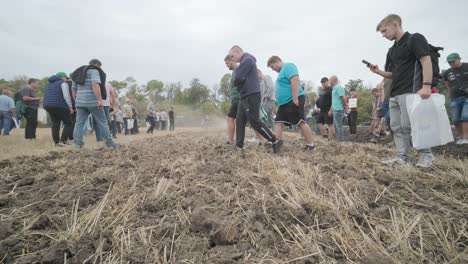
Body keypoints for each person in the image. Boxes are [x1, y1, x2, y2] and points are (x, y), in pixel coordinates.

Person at [369, 14, 435, 167]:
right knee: (396, 127)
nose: (383, 36)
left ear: (395, 24)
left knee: (411, 125)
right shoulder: (392, 50)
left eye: (385, 31)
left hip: (411, 91)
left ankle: (426, 155)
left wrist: (426, 85)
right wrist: (378, 72)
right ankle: (402, 157)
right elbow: (392, 74)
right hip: (395, 93)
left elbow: (426, 60)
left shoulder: (414, 39)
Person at [229, 46, 281, 152]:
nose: (232, 58)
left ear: (238, 52)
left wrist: (238, 81)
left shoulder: (247, 60)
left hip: (251, 95)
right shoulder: (243, 62)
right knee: (239, 121)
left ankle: (275, 140)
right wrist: (239, 81)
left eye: (232, 56)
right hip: (243, 96)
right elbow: (239, 78)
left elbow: (237, 78)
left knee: (254, 121)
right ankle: (239, 146)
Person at [267, 56, 316, 151]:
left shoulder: (288, 66)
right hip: (284, 103)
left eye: (273, 67)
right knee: (278, 122)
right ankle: (275, 142)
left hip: (293, 99)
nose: (273, 70)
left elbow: (294, 80)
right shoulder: (281, 72)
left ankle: (311, 145)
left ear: (276, 61)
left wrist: (295, 98)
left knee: (300, 122)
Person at [71, 58, 118, 148]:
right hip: (93, 101)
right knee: (103, 122)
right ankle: (109, 143)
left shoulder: (77, 72)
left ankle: (77, 143)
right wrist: (100, 100)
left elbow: (73, 89)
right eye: (99, 67)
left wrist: (76, 101)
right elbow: (95, 85)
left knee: (79, 123)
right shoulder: (94, 71)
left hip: (80, 102)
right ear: (96, 65)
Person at [43, 72, 74, 146]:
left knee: (55, 123)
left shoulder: (48, 84)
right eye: (66, 78)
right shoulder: (63, 83)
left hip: (48, 105)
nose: (66, 80)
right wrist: (70, 107)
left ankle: (56, 142)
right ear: (62, 77)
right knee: (69, 123)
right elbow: (66, 96)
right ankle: (63, 140)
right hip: (59, 105)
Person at [444, 53, 468, 144]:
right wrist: (450, 97)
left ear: (459, 59)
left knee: (465, 116)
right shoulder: (447, 72)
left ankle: (466, 137)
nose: (451, 63)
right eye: (449, 62)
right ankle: (461, 137)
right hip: (455, 97)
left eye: (453, 61)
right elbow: (448, 86)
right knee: (455, 119)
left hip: (467, 96)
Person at [224, 54, 240, 144]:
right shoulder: (235, 71)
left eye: (227, 63)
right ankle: (262, 139)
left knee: (229, 119)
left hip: (238, 99)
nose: (227, 66)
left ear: (231, 60)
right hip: (236, 99)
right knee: (252, 121)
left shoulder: (238, 70)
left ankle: (230, 140)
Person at [329, 76, 348, 142]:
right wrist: (331, 110)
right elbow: (334, 101)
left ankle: (340, 140)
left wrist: (346, 106)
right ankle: (339, 139)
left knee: (339, 126)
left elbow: (343, 98)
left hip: (339, 109)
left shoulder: (338, 87)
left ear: (333, 81)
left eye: (329, 81)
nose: (329, 82)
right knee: (337, 126)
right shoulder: (334, 89)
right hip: (335, 110)